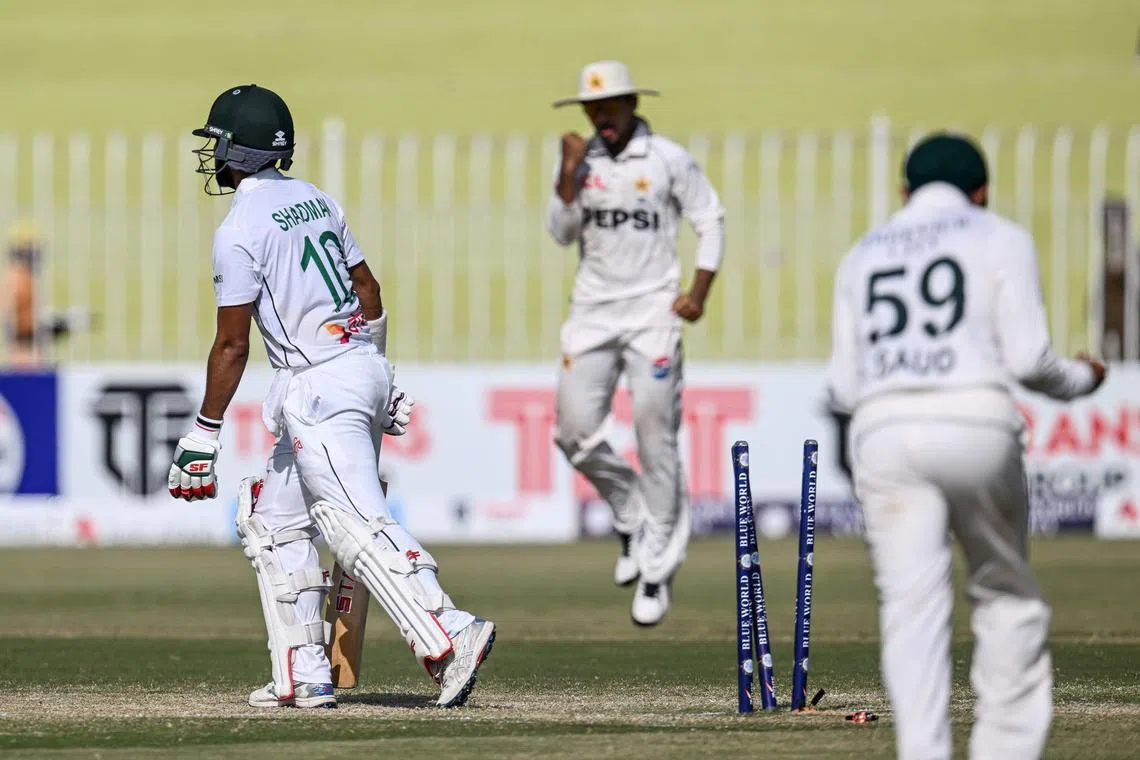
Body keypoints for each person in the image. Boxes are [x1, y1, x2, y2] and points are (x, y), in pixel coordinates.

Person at [168, 84, 495, 709]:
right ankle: (305, 670)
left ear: (238, 150)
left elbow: (232, 346)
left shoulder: (239, 229)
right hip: (354, 368)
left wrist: (204, 432)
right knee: (272, 522)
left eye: (217, 143)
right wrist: (379, 372)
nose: (212, 155)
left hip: (318, 384)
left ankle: (451, 632)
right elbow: (367, 290)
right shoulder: (316, 200)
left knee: (352, 523)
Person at [825, 132, 1107, 759]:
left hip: (884, 432)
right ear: (980, 192)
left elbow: (843, 387)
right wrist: (1085, 378)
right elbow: (1032, 361)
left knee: (911, 611)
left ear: (904, 191)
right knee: (1004, 589)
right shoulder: (999, 236)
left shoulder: (862, 253)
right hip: (975, 420)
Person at [546, 61, 725, 626]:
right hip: (593, 313)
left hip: (653, 314)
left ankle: (656, 570)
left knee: (655, 432)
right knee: (572, 432)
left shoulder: (668, 158)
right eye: (592, 108)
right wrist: (568, 173)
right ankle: (630, 514)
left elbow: (711, 219)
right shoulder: (581, 161)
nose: (601, 117)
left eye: (610, 106)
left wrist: (699, 291)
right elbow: (561, 232)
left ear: (631, 106)